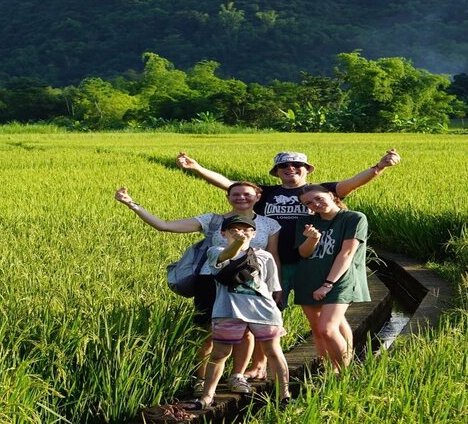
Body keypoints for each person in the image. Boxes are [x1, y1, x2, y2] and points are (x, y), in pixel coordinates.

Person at [175, 149, 400, 379]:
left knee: (332, 320)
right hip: (272, 264)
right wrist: (197, 168)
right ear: (277, 172)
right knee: (265, 315)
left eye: (296, 165)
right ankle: (259, 365)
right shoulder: (268, 193)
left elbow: (351, 183)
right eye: (284, 167)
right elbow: (230, 185)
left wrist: (379, 167)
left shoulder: (318, 191)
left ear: (307, 169)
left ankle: (344, 364)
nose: (290, 169)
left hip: (310, 263)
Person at [114, 182, 280, 394]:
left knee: (246, 331)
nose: (241, 198)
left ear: (258, 196)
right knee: (207, 330)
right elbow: (164, 225)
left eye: (247, 194)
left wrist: (276, 287)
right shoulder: (213, 220)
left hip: (249, 285)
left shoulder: (269, 224)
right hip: (211, 280)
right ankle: (200, 379)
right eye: (235, 194)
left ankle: (237, 376)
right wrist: (132, 204)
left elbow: (273, 257)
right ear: (228, 197)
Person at [182, 215, 290, 411]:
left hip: (263, 311)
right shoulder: (215, 251)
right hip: (227, 309)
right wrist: (238, 243)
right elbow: (225, 259)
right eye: (234, 230)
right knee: (220, 353)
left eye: (247, 229)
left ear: (254, 233)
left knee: (273, 351)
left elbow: (270, 285)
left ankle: (284, 396)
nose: (241, 232)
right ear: (223, 234)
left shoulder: (265, 256)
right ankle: (207, 397)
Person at [295, 184, 370, 372]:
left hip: (339, 279)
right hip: (309, 277)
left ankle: (343, 374)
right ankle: (329, 371)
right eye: (309, 203)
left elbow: (347, 253)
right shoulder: (306, 222)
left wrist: (328, 284)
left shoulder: (354, 218)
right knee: (318, 330)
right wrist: (312, 238)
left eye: (319, 198)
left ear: (330, 195)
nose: (315, 204)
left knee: (327, 328)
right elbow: (303, 253)